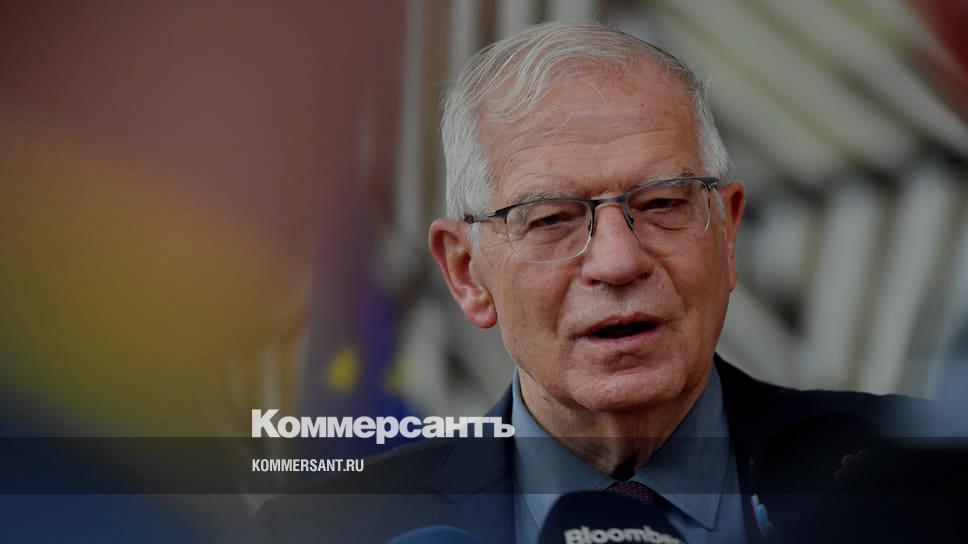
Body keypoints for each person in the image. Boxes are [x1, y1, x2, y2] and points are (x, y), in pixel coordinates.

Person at [257, 22, 959, 543]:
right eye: (551, 219)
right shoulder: (326, 530)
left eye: (663, 204)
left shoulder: (927, 486)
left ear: (727, 232)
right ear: (467, 274)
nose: (619, 262)